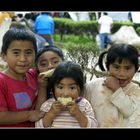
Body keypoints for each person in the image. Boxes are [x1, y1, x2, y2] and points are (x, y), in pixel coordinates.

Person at [84, 43, 140, 127]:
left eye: (127, 68)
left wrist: (117, 90)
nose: (122, 73)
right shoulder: (93, 86)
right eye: (116, 67)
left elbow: (129, 111)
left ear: (136, 68)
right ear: (107, 66)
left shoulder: (136, 91)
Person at [0, 27, 45, 127]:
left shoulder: (34, 75)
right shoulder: (1, 82)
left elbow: (39, 111)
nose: (23, 59)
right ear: (4, 56)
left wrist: (42, 86)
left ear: (35, 54)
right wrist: (28, 115)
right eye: (16, 53)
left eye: (28, 53)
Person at [35, 61, 98, 128]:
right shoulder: (48, 105)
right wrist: (51, 114)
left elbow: (93, 126)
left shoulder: (84, 104)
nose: (66, 94)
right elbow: (38, 126)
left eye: (72, 88)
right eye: (60, 87)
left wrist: (79, 115)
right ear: (52, 88)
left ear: (80, 88)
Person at [35, 46, 65, 110]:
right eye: (43, 64)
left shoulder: (73, 80)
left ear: (63, 62)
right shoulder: (36, 86)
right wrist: (42, 87)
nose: (50, 66)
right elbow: (39, 113)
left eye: (55, 62)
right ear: (37, 68)